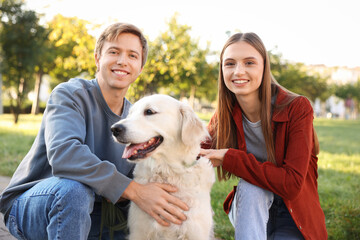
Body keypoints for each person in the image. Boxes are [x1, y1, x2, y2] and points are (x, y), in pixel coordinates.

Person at [0, 22, 188, 240]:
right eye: (114, 52)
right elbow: (64, 155)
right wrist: (134, 191)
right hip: (37, 203)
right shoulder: (70, 95)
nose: (122, 61)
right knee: (74, 191)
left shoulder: (137, 119)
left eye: (132, 56)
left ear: (140, 68)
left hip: (95, 214)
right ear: (98, 59)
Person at [200, 32, 327, 239]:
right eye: (230, 64)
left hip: (293, 214)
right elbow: (192, 152)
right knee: (251, 187)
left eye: (249, 62)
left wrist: (229, 158)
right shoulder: (224, 115)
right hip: (251, 207)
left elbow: (291, 184)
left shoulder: (297, 108)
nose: (238, 71)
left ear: (264, 66)